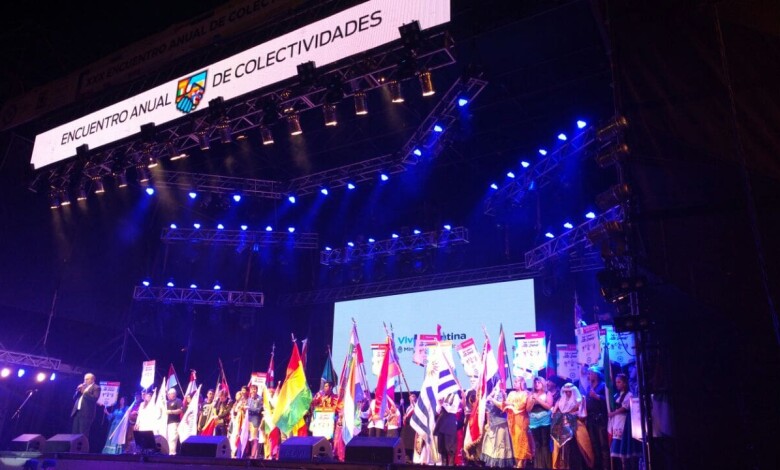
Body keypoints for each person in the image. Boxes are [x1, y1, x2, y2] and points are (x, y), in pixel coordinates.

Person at [608, 374, 640, 470]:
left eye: (619, 382)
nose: (617, 384)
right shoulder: (616, 395)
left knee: (625, 447)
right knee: (619, 450)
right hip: (617, 422)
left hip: (625, 422)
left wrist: (613, 413)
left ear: (625, 383)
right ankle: (623, 467)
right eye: (616, 382)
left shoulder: (629, 395)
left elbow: (624, 407)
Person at [481, 387, 515, 468]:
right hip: (492, 424)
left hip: (501, 424)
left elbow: (502, 407)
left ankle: (500, 465)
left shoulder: (502, 395)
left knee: (500, 445)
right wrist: (488, 422)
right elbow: (487, 410)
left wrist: (492, 399)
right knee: (491, 445)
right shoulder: (490, 395)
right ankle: (493, 464)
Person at [505, 377, 534, 468]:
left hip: (521, 418)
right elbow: (506, 403)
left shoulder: (526, 393)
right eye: (514, 381)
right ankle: (518, 461)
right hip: (511, 419)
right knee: (514, 440)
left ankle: (521, 461)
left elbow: (522, 405)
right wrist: (508, 403)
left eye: (517, 382)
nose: (515, 383)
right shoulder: (511, 393)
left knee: (521, 439)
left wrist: (512, 404)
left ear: (522, 383)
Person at [584, 367, 609, 470]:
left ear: (596, 374)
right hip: (591, 419)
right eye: (588, 374)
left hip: (600, 419)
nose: (589, 375)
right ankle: (598, 466)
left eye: (590, 373)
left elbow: (608, 400)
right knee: (594, 445)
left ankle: (606, 467)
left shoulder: (603, 386)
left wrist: (597, 396)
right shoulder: (589, 387)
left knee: (603, 445)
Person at [529, 376, 554, 468]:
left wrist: (538, 399)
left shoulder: (548, 393)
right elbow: (528, 409)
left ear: (542, 383)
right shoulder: (531, 394)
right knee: (537, 444)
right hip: (534, 422)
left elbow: (549, 406)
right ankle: (539, 465)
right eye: (535, 383)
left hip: (545, 421)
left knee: (545, 443)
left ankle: (547, 465)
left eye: (538, 382)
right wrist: (532, 401)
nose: (536, 384)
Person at [434, 391, 460, 465]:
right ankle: (443, 464)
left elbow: (453, 410)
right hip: (442, 422)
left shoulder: (455, 396)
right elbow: (438, 410)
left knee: (450, 447)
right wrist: (439, 404)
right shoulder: (442, 395)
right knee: (442, 447)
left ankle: (450, 465)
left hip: (450, 423)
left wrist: (443, 404)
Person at [246, 385, 263, 459]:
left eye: (254, 389)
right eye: (252, 389)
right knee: (250, 438)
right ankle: (252, 454)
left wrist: (249, 408)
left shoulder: (260, 399)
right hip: (248, 420)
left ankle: (253, 455)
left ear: (257, 390)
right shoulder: (249, 399)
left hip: (255, 420)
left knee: (254, 438)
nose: (253, 391)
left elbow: (258, 410)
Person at [165, 388, 183, 455]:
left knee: (172, 439)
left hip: (174, 423)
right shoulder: (166, 402)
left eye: (169, 394)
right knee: (167, 439)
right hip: (166, 423)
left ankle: (172, 454)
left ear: (173, 394)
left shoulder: (178, 401)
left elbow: (180, 410)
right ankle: (167, 453)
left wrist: (170, 411)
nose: (168, 395)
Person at [401, 393, 417, 463]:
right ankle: (407, 457)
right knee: (405, 442)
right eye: (410, 396)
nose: (411, 398)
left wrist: (407, 418)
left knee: (412, 443)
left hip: (412, 427)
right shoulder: (408, 407)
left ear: (415, 398)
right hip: (407, 427)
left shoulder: (416, 406)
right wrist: (404, 418)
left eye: (413, 396)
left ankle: (412, 458)